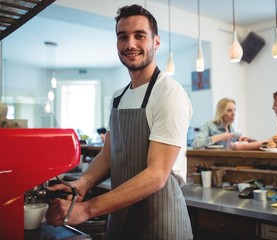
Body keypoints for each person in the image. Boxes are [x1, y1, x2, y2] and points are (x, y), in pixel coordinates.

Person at [45, 5, 193, 239]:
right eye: (122, 36)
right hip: (122, 220)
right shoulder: (118, 97)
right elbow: (108, 154)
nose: (130, 44)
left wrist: (87, 209)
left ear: (156, 42)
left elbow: (156, 175)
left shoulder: (168, 93)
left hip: (161, 224)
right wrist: (81, 185)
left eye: (139, 36)